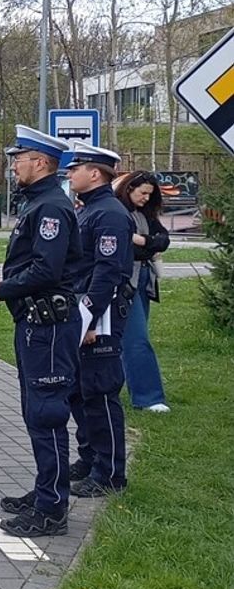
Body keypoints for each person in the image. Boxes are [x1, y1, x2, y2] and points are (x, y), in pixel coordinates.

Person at [0, 127, 83, 537]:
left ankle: (53, 510)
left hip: (49, 327)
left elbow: (47, 269)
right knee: (37, 411)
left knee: (47, 413)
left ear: (39, 163)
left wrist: (2, 288)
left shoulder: (52, 209)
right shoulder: (39, 203)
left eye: (18, 158)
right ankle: (45, 492)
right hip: (36, 323)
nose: (13, 165)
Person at [66, 142, 135, 497]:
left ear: (94, 173)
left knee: (100, 392)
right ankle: (91, 456)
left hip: (100, 313)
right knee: (80, 391)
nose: (69, 173)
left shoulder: (107, 213)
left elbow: (107, 271)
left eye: (75, 168)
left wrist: (89, 320)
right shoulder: (89, 210)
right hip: (85, 310)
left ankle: (109, 473)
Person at [115, 171, 171, 413]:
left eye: (150, 194)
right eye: (143, 192)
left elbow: (163, 241)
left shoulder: (144, 213)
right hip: (127, 279)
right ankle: (149, 397)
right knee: (136, 339)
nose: (146, 198)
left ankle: (109, 388)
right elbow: (128, 247)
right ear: (129, 188)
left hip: (143, 278)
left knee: (126, 337)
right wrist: (148, 245)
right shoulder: (117, 212)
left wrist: (142, 241)